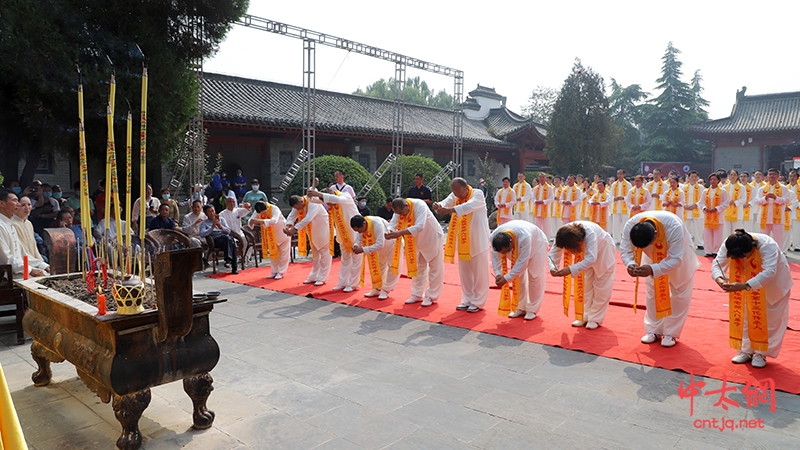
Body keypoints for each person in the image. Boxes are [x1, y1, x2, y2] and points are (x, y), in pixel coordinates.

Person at [711, 229, 792, 368]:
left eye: (743, 256)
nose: (740, 259)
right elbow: (718, 263)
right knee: (745, 316)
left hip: (772, 285)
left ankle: (761, 352)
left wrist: (745, 285)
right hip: (744, 283)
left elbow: (769, 272)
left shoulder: (767, 245)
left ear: (753, 247)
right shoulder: (729, 243)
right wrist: (719, 279)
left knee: (769, 319)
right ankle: (746, 350)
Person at [620, 211, 701, 348]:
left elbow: (675, 259)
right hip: (651, 256)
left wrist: (652, 269)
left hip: (678, 255)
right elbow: (625, 250)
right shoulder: (631, 224)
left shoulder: (673, 226)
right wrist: (630, 264)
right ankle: (653, 330)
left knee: (680, 291)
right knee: (652, 291)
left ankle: (671, 333)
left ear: (656, 235)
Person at [434, 178, 491, 312]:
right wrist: (439, 205)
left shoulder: (477, 194)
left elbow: (469, 206)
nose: (456, 195)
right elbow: (446, 202)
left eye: (458, 192)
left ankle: (477, 302)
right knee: (465, 272)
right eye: (454, 192)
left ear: (466, 188)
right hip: (463, 240)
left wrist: (449, 210)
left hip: (478, 239)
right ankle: (467, 299)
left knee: (479, 273)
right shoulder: (456, 195)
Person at [548, 221, 616, 329]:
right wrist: (553, 267)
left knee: (601, 287)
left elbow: (591, 258)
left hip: (603, 253)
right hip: (585, 256)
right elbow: (553, 253)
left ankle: (595, 318)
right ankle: (584, 315)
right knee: (586, 287)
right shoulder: (562, 234)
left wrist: (570, 269)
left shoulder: (590, 233)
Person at [386, 197, 444, 306]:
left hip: (431, 237)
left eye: (402, 213)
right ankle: (417, 294)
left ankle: (431, 296)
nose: (401, 216)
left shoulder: (420, 205)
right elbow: (393, 223)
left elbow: (420, 226)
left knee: (435, 268)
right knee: (419, 266)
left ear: (407, 206)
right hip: (416, 240)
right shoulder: (399, 209)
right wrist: (389, 231)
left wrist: (399, 233)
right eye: (399, 213)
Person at [490, 220, 548, 320]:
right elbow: (495, 258)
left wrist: (506, 278)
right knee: (519, 278)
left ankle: (532, 309)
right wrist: (498, 274)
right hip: (518, 248)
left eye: (505, 251)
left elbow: (522, 262)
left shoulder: (524, 236)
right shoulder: (493, 237)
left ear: (510, 243)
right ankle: (520, 307)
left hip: (537, 244)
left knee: (534, 275)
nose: (504, 254)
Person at [307, 188, 362, 292]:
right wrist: (310, 194)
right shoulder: (333, 201)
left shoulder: (345, 196)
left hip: (355, 234)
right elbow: (314, 200)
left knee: (356, 260)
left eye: (328, 203)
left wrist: (318, 194)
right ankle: (343, 283)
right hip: (343, 236)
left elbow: (336, 199)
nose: (329, 206)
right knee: (345, 260)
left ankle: (353, 284)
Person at [284, 194, 331, 286]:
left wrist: (295, 229)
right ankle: (313, 276)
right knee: (315, 255)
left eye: (297, 207)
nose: (297, 210)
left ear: (301, 202)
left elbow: (308, 218)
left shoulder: (313, 202)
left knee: (325, 255)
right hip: (311, 232)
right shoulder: (298, 204)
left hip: (323, 230)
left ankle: (322, 277)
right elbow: (292, 215)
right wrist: (288, 224)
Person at [350, 215, 400, 300]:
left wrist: (363, 249)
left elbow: (381, 244)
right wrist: (355, 245)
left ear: (364, 224)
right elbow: (359, 238)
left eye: (359, 230)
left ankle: (386, 290)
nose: (358, 232)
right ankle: (377, 288)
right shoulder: (361, 227)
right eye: (356, 231)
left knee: (393, 267)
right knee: (379, 266)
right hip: (376, 247)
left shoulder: (377, 224)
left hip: (391, 245)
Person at [0, 189, 46, 277]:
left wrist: (43, 265)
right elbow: (6, 259)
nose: (18, 204)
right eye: (14, 200)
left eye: (18, 201)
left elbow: (23, 254)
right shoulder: (1, 225)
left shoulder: (10, 224)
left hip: (19, 269)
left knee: (47, 274)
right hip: (7, 275)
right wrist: (30, 270)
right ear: (2, 204)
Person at [248, 201, 290, 279]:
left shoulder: (274, 208)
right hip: (271, 237)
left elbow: (274, 220)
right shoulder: (258, 211)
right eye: (261, 213)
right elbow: (251, 220)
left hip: (283, 234)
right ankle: (274, 271)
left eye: (264, 212)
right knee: (273, 254)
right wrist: (251, 221)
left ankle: (281, 272)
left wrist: (259, 221)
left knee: (283, 254)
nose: (262, 215)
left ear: (267, 207)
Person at [11, 195, 49, 274]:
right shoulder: (13, 224)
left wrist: (41, 262)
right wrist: (40, 265)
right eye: (23, 205)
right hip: (23, 264)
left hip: (33, 261)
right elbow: (22, 251)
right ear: (16, 207)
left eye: (29, 205)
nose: (27, 208)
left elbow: (34, 247)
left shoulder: (28, 223)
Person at [755, 168, 790, 247]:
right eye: (770, 174)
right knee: (763, 240)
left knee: (778, 240)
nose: (771, 176)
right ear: (767, 176)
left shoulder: (783, 188)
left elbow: (786, 200)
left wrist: (776, 198)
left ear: (778, 176)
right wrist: (765, 199)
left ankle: (778, 257)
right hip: (764, 218)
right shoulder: (762, 189)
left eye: (774, 174)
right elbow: (757, 201)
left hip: (778, 219)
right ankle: (764, 257)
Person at [200, 204, 239, 274]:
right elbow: (202, 234)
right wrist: (212, 227)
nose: (212, 213)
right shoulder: (204, 223)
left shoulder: (222, 220)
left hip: (225, 239)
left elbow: (228, 231)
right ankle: (233, 266)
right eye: (209, 212)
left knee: (230, 240)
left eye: (213, 211)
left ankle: (229, 262)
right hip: (215, 241)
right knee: (230, 240)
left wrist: (220, 226)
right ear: (206, 214)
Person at [701, 173, 730, 257]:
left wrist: (716, 209)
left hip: (718, 216)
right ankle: (708, 251)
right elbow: (701, 202)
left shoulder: (723, 191)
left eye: (714, 179)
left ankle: (716, 251)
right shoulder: (705, 191)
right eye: (711, 179)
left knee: (718, 235)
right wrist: (704, 208)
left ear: (718, 180)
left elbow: (726, 203)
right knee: (707, 234)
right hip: (708, 216)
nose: (712, 181)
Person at [682, 170, 705, 250]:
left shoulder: (701, 188)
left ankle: (699, 243)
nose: (694, 178)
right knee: (685, 227)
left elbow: (702, 199)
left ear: (698, 178)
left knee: (698, 228)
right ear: (688, 178)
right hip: (686, 210)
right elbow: (681, 199)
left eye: (695, 177)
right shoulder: (683, 187)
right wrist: (684, 205)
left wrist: (695, 205)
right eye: (692, 177)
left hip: (697, 210)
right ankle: (685, 242)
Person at [610, 169, 631, 244]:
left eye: (621, 174)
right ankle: (616, 239)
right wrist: (614, 198)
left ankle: (625, 239)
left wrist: (623, 198)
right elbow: (610, 195)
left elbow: (630, 196)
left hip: (624, 207)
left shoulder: (628, 184)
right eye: (618, 174)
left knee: (625, 224)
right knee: (615, 224)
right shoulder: (614, 185)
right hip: (616, 207)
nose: (619, 175)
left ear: (624, 175)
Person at [723, 170, 747, 239]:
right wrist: (727, 202)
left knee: (737, 230)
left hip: (737, 211)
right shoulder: (724, 187)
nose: (733, 176)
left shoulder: (742, 187)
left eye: (734, 175)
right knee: (726, 230)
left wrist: (735, 202)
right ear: (728, 176)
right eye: (731, 175)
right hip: (726, 211)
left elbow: (743, 199)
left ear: (737, 176)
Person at [532, 173, 554, 238]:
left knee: (546, 225)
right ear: (539, 178)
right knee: (538, 224)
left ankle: (546, 238)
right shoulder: (536, 188)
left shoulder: (549, 188)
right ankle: (538, 238)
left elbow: (551, 198)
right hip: (538, 208)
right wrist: (536, 201)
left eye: (543, 177)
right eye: (540, 177)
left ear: (545, 178)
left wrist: (544, 202)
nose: (542, 179)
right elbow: (532, 197)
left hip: (545, 209)